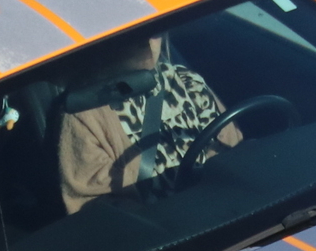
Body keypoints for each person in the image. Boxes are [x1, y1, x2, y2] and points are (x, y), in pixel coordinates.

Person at [56, 34, 240, 213]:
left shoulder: (189, 82)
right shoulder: (86, 113)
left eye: (154, 31)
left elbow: (235, 154)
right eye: (133, 33)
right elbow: (95, 208)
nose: (145, 41)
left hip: (225, 212)